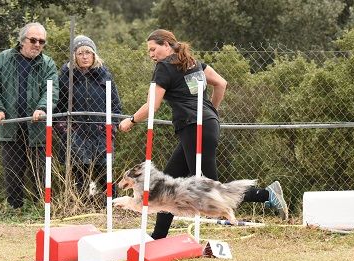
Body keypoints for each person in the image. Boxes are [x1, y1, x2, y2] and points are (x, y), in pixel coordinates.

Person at [118, 29, 288, 239]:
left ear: (167, 45)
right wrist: (211, 111)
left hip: (193, 127)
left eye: (153, 49)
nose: (151, 55)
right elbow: (221, 83)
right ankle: (158, 236)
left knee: (211, 188)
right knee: (168, 184)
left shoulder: (163, 67)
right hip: (203, 125)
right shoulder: (192, 62)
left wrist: (131, 120)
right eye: (149, 51)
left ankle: (266, 195)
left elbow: (152, 105)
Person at [0, 22, 58, 209]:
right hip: (11, 127)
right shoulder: (3, 60)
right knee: (13, 172)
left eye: (42, 41)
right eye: (33, 40)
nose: (37, 44)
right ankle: (15, 210)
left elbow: (53, 90)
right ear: (22, 40)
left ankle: (40, 209)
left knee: (40, 172)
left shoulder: (47, 64)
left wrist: (43, 107)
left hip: (38, 128)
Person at [55, 35, 122, 202]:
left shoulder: (104, 75)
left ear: (94, 55)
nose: (84, 56)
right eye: (80, 53)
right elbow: (58, 107)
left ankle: (112, 203)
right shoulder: (65, 76)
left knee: (104, 171)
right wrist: (66, 131)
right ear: (74, 56)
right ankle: (81, 203)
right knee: (79, 171)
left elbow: (115, 105)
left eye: (88, 52)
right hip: (76, 134)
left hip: (100, 133)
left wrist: (111, 128)